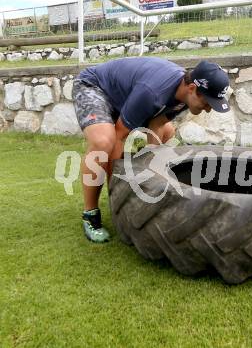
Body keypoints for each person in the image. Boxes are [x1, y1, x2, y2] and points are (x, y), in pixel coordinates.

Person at [72, 57, 230, 243]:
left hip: (125, 96)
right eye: (208, 103)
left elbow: (157, 124)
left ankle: (140, 189)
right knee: (104, 142)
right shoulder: (153, 92)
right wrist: (118, 196)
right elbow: (119, 136)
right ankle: (91, 215)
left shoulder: (183, 95)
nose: (209, 110)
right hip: (94, 86)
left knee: (168, 131)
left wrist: (151, 178)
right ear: (193, 89)